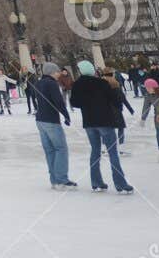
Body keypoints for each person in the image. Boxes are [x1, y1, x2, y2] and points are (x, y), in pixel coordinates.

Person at [68, 60, 133, 194]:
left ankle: (96, 182)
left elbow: (74, 102)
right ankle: (120, 183)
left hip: (89, 122)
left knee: (95, 151)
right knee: (112, 152)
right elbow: (115, 100)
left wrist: (87, 104)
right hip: (105, 120)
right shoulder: (102, 83)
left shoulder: (77, 84)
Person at [28, 61, 75, 189]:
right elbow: (58, 101)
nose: (59, 74)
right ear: (52, 72)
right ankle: (61, 179)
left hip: (40, 120)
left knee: (50, 150)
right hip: (50, 120)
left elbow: (34, 97)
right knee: (60, 149)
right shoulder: (52, 83)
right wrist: (66, 115)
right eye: (57, 71)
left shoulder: (38, 82)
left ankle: (54, 180)